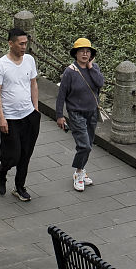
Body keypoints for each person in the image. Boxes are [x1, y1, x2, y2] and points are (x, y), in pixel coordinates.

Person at [0, 27, 40, 202]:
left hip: (29, 116)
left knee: (26, 155)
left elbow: (33, 84)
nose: (24, 47)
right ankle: (2, 171)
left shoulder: (29, 60)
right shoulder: (1, 65)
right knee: (13, 155)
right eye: (21, 44)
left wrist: (36, 108)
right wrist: (1, 117)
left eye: (26, 43)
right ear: (10, 43)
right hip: (10, 118)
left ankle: (20, 186)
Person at [55, 37, 104, 192]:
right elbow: (61, 95)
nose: (84, 54)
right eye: (81, 51)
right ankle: (78, 173)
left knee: (88, 144)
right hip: (76, 113)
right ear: (75, 54)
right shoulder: (70, 72)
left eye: (87, 51)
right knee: (85, 146)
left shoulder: (93, 68)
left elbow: (100, 83)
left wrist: (91, 67)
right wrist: (59, 115)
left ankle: (82, 170)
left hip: (92, 113)